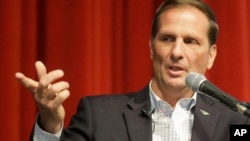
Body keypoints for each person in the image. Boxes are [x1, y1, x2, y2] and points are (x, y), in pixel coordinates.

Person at [15, 0, 249, 141]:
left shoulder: (237, 122)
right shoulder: (99, 116)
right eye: (167, 38)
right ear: (151, 47)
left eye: (190, 41)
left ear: (211, 55)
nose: (177, 51)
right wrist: (49, 123)